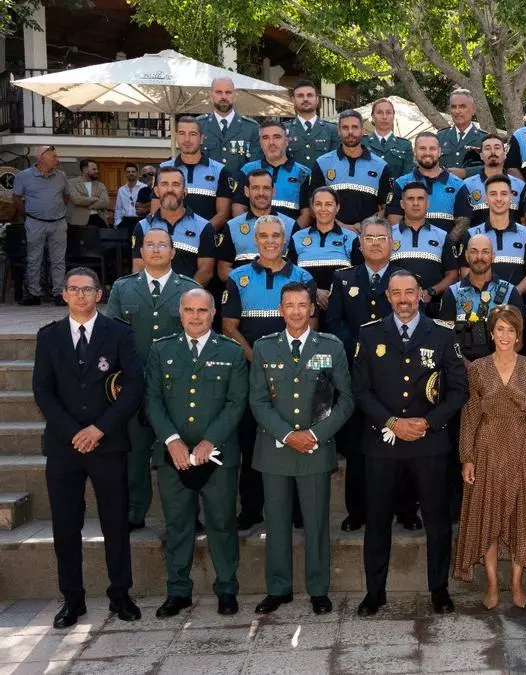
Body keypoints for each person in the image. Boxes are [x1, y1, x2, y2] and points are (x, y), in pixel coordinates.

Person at [32, 267, 144, 628]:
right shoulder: (48, 336)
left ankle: (120, 594)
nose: (81, 295)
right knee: (66, 524)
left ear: (99, 294)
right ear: (64, 294)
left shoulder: (119, 333)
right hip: (64, 446)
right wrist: (73, 433)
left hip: (107, 443)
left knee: (115, 522)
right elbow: (42, 390)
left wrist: (98, 429)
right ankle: (72, 598)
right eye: (74, 289)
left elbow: (133, 387)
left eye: (88, 289)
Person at [352, 270, 468, 616]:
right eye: (397, 293)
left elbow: (458, 390)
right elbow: (361, 390)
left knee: (437, 521)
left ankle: (439, 590)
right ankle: (375, 592)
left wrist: (427, 423)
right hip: (383, 444)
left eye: (409, 292)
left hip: (428, 443)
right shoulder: (369, 334)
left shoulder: (443, 334)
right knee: (377, 521)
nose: (403, 299)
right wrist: (392, 423)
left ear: (420, 294)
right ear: (388, 297)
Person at [248, 281, 354, 616]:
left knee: (316, 522)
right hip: (275, 451)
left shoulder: (331, 347)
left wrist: (316, 435)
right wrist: (286, 434)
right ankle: (278, 588)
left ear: (312, 308)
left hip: (315, 450)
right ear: (280, 310)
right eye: (289, 305)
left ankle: (318, 589)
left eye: (302, 305)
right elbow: (258, 400)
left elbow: (346, 399)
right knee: (276, 523)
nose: (296, 311)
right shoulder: (264, 348)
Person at [143, 288, 247, 617]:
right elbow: (152, 400)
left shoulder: (230, 351)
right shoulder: (161, 350)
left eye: (202, 310)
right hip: (173, 456)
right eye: (189, 310)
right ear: (180, 312)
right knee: (178, 524)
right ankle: (178, 591)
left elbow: (236, 402)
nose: (195, 316)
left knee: (222, 523)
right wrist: (172, 440)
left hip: (217, 455)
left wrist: (210, 440)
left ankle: (227, 588)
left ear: (214, 313)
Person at [454, 306, 526, 608]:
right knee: (488, 518)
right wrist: (468, 458)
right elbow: (470, 415)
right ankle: (493, 585)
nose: (505, 336)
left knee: (521, 518)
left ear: (519, 334)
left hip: (522, 448)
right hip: (487, 449)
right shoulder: (478, 368)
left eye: (511, 330)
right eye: (500, 329)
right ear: (492, 333)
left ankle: (517, 584)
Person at [222, 215, 317, 531]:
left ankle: (298, 509)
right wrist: (260, 362)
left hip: (295, 374)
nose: (270, 241)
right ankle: (252, 508)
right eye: (264, 236)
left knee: (296, 436)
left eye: (276, 235)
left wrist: (288, 366)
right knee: (253, 442)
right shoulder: (238, 277)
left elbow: (311, 326)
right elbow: (229, 327)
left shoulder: (303, 276)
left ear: (285, 239)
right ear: (255, 240)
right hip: (253, 373)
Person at [105, 228, 201, 529]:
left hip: (178, 388)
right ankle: (135, 511)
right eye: (150, 245)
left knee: (182, 451)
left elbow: (197, 337)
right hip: (134, 386)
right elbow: (111, 337)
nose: (156, 250)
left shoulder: (189, 288)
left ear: (173, 251)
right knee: (135, 453)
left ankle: (188, 514)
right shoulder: (123, 288)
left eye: (162, 245)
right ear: (141, 252)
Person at [326, 217, 405, 531]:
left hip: (396, 374)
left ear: (392, 243)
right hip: (355, 373)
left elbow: (410, 321)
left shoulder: (404, 280)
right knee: (357, 444)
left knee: (399, 443)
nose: (375, 243)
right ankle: (356, 511)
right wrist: (361, 350)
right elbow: (334, 322)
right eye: (369, 238)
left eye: (381, 238)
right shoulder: (343, 278)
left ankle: (404, 509)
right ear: (359, 244)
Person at [441, 233, 525, 360]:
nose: (479, 257)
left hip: (500, 367)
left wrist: (490, 367)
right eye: (474, 252)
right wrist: (470, 367)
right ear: (466, 256)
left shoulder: (510, 292)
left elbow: (518, 341)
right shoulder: (452, 293)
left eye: (485, 252)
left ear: (493, 256)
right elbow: (446, 341)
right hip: (461, 367)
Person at [131, 166, 218, 286]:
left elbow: (205, 272)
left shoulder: (204, 227)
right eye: (164, 184)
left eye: (176, 184)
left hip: (189, 295)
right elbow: (138, 268)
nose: (170, 190)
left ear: (184, 192)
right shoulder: (143, 226)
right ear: (156, 191)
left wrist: (184, 294)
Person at [307, 110, 393, 229]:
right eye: (345, 127)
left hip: (367, 234)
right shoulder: (322, 163)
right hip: (332, 233)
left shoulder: (381, 166)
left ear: (362, 130)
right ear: (339, 131)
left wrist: (365, 227)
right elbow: (313, 205)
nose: (350, 132)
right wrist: (342, 227)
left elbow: (386, 207)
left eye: (355, 127)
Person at [288, 187, 363, 317]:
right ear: (312, 207)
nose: (323, 209)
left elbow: (358, 275)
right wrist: (314, 291)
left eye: (328, 204)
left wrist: (335, 295)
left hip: (342, 309)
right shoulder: (297, 237)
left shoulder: (351, 238)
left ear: (337, 208)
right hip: (305, 310)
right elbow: (291, 274)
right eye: (318, 204)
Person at [461, 175, 526, 293]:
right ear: (486, 198)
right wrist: (485, 297)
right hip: (480, 302)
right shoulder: (471, 234)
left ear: (511, 198)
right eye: (493, 194)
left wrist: (512, 295)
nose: (499, 199)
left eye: (504, 194)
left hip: (516, 303)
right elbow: (465, 272)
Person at [156, 116, 237, 233]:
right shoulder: (162, 169)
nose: (187, 139)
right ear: (176, 137)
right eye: (182, 133)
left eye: (193, 134)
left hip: (206, 239)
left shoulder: (220, 171)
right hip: (169, 239)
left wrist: (200, 235)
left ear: (202, 138)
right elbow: (155, 210)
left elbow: (223, 214)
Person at [388, 182, 459, 311]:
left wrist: (431, 291)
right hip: (394, 307)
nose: (415, 203)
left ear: (428, 203)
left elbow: (453, 275)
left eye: (420, 198)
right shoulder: (388, 235)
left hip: (431, 308)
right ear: (402, 204)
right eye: (410, 199)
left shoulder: (442, 236)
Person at [13, 145, 69, 306]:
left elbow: (66, 197)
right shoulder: (24, 176)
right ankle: (33, 293)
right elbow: (16, 199)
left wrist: (56, 210)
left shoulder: (61, 176)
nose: (57, 159)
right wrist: (29, 214)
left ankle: (59, 293)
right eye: (53, 156)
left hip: (58, 222)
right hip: (35, 222)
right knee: (33, 259)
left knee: (58, 260)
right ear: (41, 158)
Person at [386, 131, 466, 234]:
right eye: (422, 148)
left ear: (439, 151)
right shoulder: (401, 184)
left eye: (432, 148)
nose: (427, 153)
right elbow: (394, 223)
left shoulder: (458, 185)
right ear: (415, 151)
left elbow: (463, 223)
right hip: (410, 244)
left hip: (447, 244)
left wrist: (447, 242)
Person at [233, 119, 312, 223]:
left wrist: (292, 232)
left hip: (290, 232)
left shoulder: (303, 173)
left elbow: (307, 213)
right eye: (265, 138)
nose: (271, 143)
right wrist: (249, 230)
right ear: (260, 142)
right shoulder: (247, 170)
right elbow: (238, 206)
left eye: (277, 137)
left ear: (286, 141)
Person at [222, 168, 299, 269]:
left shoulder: (290, 225)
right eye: (255, 188)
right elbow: (223, 269)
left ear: (273, 191)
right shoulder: (232, 226)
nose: (261, 193)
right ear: (246, 191)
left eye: (266, 188)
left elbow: (295, 270)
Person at [454, 133, 526, 230]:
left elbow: (525, 221)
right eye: (487, 148)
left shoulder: (520, 186)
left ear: (504, 154)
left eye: (497, 148)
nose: (492, 152)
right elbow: (462, 222)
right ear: (481, 155)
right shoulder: (466, 185)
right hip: (478, 239)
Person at [197, 77, 262, 175]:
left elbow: (255, 167)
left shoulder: (252, 128)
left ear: (234, 96)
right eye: (219, 92)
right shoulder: (199, 125)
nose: (223, 97)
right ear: (211, 96)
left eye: (228, 92)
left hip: (240, 184)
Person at [284, 80, 340, 169]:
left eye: (309, 95)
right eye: (300, 96)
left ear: (317, 99)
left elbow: (337, 162)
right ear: (293, 100)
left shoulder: (333, 130)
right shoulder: (283, 130)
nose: (305, 99)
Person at [437, 88, 489, 178]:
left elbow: (494, 167)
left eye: (462, 106)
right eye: (454, 107)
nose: (457, 111)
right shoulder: (440, 137)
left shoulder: (484, 139)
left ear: (473, 109)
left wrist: (466, 172)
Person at [363, 98, 414, 179]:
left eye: (388, 113)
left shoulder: (405, 145)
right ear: (373, 116)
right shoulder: (362, 142)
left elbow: (407, 179)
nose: (384, 117)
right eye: (379, 113)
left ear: (393, 116)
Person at [67, 159, 109, 227]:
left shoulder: (100, 185)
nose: (97, 171)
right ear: (85, 170)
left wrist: (90, 206)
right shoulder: (72, 183)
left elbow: (105, 201)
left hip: (99, 219)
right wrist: (95, 198)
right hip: (79, 221)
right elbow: (76, 200)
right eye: (94, 169)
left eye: (96, 169)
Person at [114, 163, 145, 231]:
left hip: (140, 221)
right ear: (125, 174)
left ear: (137, 173)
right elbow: (118, 209)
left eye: (133, 172)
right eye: (128, 172)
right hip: (125, 221)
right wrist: (117, 223)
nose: (131, 173)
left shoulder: (144, 188)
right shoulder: (121, 190)